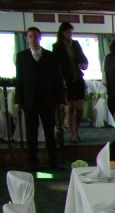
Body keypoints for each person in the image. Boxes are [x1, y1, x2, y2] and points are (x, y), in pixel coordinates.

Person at [14, 26, 65, 169]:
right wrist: (18, 100)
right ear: (27, 38)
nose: (33, 39)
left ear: (40, 37)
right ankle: (32, 162)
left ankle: (54, 162)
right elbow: (19, 79)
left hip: (47, 100)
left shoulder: (51, 56)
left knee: (50, 132)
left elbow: (58, 79)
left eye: (35, 36)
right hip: (29, 100)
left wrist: (61, 99)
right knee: (31, 133)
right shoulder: (22, 56)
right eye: (30, 36)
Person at [52, 22, 88, 143]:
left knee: (80, 107)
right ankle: (72, 133)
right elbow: (56, 64)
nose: (70, 35)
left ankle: (76, 129)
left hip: (78, 77)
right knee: (70, 107)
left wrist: (84, 65)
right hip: (66, 79)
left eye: (71, 32)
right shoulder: (57, 46)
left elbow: (84, 58)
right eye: (68, 33)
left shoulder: (76, 44)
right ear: (62, 33)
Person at [103, 39, 115, 160]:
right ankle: (114, 156)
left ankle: (114, 156)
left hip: (111, 97)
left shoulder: (107, 58)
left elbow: (104, 81)